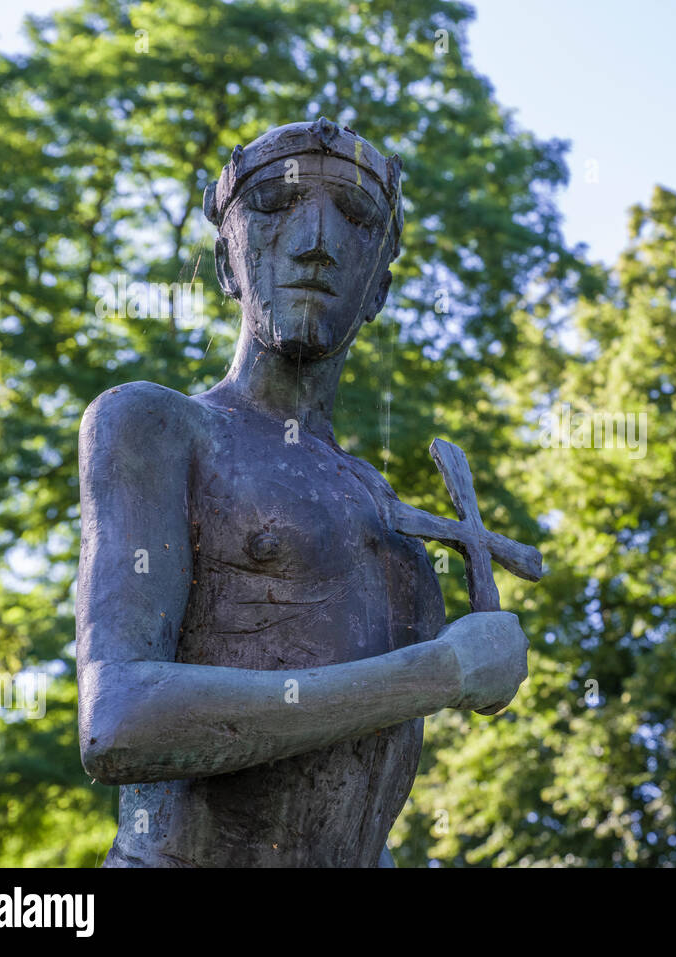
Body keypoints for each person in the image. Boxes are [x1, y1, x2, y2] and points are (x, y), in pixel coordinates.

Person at [75, 118, 529, 867]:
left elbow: (362, 793)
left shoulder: (385, 507)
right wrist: (442, 671)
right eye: (276, 204)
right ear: (227, 260)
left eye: (355, 215)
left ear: (379, 285)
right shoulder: (156, 424)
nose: (316, 238)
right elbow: (119, 721)